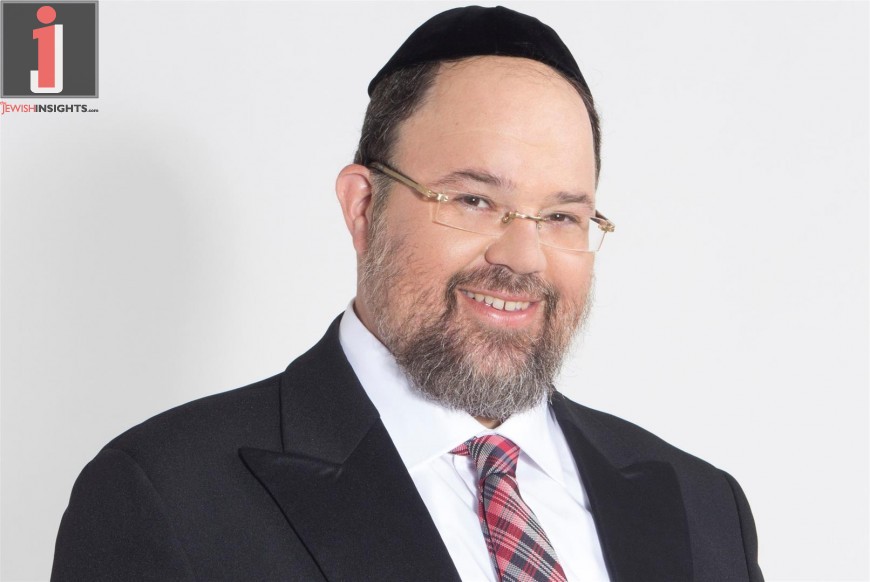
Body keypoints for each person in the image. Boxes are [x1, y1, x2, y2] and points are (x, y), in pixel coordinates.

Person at [51, 6, 763, 581]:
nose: (523, 257)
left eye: (560, 217)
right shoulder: (167, 496)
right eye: (474, 200)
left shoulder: (704, 508)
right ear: (364, 207)